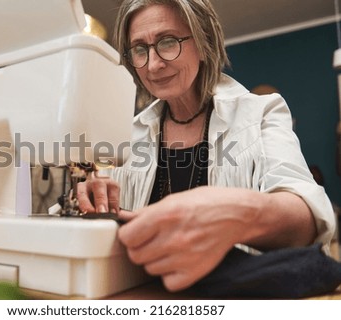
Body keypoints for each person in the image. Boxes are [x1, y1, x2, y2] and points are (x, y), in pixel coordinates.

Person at [77, 0, 336, 292]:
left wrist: (236, 214)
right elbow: (105, 208)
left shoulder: (261, 113)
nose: (153, 64)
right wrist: (92, 198)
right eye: (140, 49)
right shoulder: (127, 134)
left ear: (202, 42)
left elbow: (308, 219)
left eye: (168, 42)